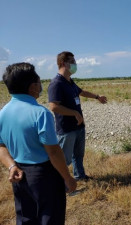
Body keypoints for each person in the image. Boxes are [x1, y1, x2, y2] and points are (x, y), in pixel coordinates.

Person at [0, 63, 77, 225]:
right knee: (50, 216)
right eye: (39, 82)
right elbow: (54, 152)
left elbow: (1, 146)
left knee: (26, 217)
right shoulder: (40, 113)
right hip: (44, 174)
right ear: (33, 86)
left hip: (18, 173)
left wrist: (11, 166)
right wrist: (67, 177)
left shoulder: (3, 113)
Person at [48, 51, 107, 181]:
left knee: (78, 155)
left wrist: (97, 97)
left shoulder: (69, 81)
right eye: (73, 62)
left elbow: (82, 92)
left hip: (78, 126)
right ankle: (58, 184)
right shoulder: (56, 83)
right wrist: (74, 113)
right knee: (64, 159)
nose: (76, 64)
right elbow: (53, 106)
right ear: (64, 63)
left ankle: (80, 176)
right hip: (67, 129)